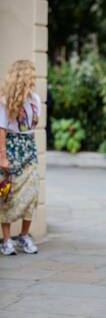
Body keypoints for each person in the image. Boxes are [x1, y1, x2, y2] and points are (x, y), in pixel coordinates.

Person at [0, 60, 41, 255]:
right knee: (9, 196)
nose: (34, 78)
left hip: (30, 148)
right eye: (31, 74)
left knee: (32, 194)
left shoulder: (35, 99)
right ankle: (6, 240)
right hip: (12, 149)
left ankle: (24, 236)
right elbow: (2, 130)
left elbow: (33, 127)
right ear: (23, 76)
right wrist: (3, 157)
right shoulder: (6, 100)